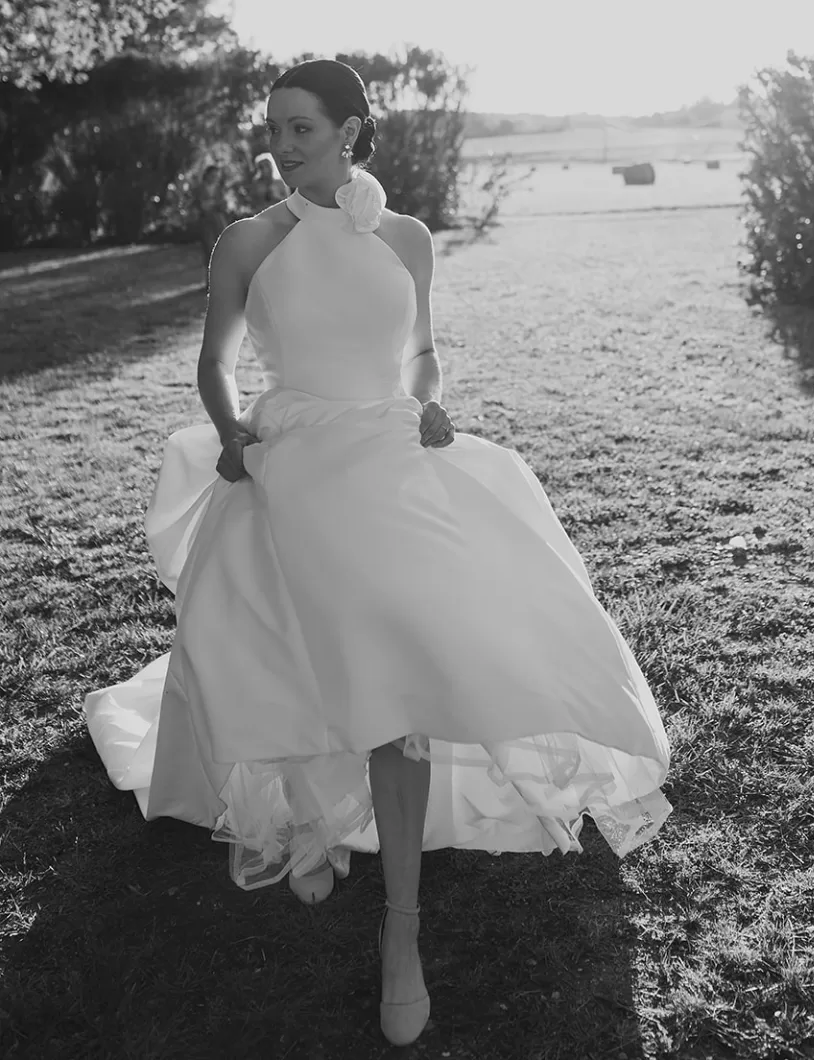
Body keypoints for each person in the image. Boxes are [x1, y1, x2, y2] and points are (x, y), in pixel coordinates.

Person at [85, 59, 671, 1048]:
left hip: (392, 452)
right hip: (292, 456)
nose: (281, 142)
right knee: (314, 639)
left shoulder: (405, 238)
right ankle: (307, 820)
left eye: (303, 126)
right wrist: (231, 437)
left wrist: (432, 398)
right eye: (273, 126)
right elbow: (215, 363)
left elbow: (423, 353)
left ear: (353, 131)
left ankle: (401, 931)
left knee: (400, 649)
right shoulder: (246, 242)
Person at [193, 163, 228, 270]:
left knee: (222, 247)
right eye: (213, 175)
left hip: (219, 221)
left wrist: (213, 204)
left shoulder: (219, 189)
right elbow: (199, 205)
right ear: (207, 175)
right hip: (206, 222)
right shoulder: (199, 189)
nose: (215, 178)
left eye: (217, 176)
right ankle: (210, 276)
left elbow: (223, 205)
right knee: (209, 248)